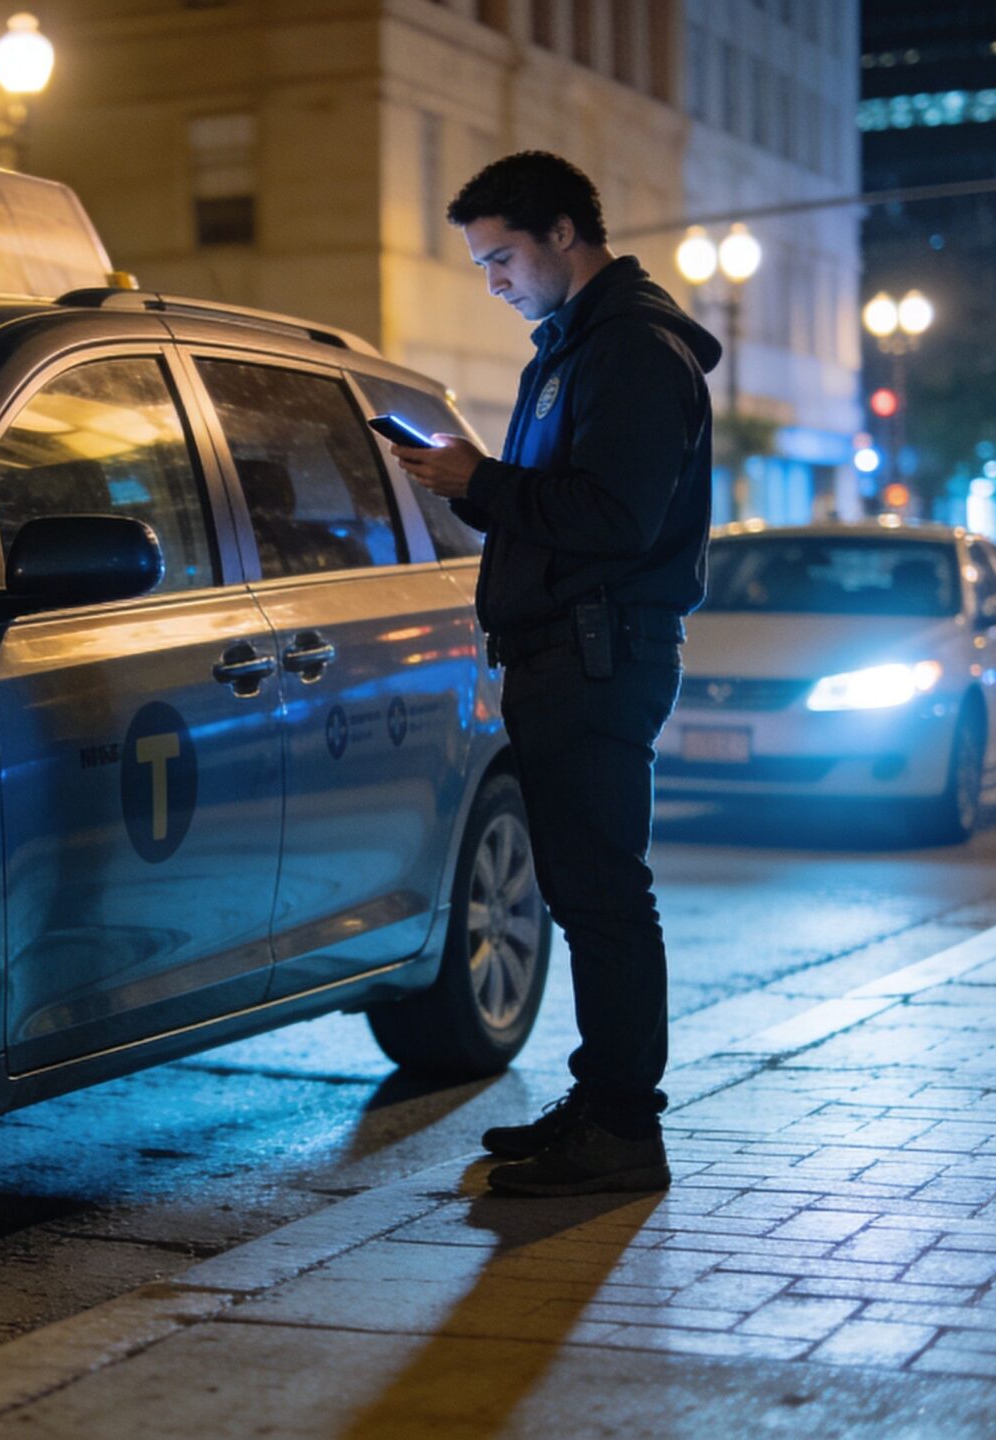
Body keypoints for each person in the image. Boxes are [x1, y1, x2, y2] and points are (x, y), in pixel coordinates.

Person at [387, 151, 720, 1198]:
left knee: (604, 895)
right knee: (583, 894)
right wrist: (476, 484)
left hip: (597, 652)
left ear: (564, 234)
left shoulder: (627, 351)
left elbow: (615, 518)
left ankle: (622, 1128)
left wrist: (482, 479)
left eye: (501, 256)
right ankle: (603, 1101)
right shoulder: (575, 347)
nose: (491, 278)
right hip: (568, 650)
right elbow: (566, 505)